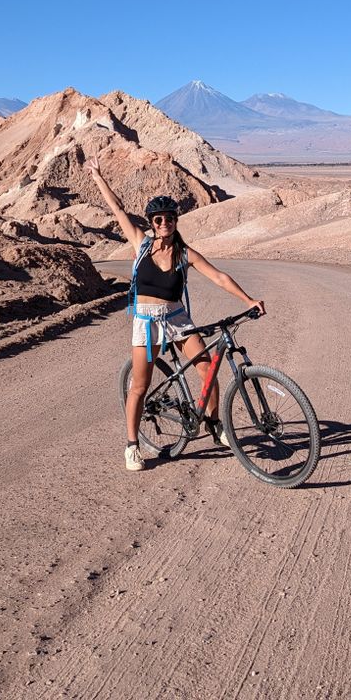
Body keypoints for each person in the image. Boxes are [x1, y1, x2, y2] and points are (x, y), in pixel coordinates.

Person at [89, 156, 266, 471]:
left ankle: (214, 424)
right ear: (151, 222)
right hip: (146, 321)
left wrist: (248, 299)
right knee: (140, 386)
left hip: (177, 318)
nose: (163, 224)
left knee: (207, 367)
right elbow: (117, 209)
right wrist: (97, 175)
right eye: (157, 219)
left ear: (174, 221)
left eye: (168, 218)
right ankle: (132, 445)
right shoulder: (141, 244)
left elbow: (219, 277)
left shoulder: (185, 253)